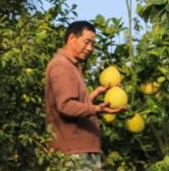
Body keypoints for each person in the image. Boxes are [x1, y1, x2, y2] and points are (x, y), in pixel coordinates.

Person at [44, 20, 123, 169]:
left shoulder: (71, 66)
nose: (90, 48)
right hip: (73, 153)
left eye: (92, 44)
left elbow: (72, 102)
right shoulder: (62, 66)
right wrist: (97, 109)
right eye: (87, 42)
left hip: (79, 152)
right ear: (72, 39)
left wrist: (94, 94)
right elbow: (66, 106)